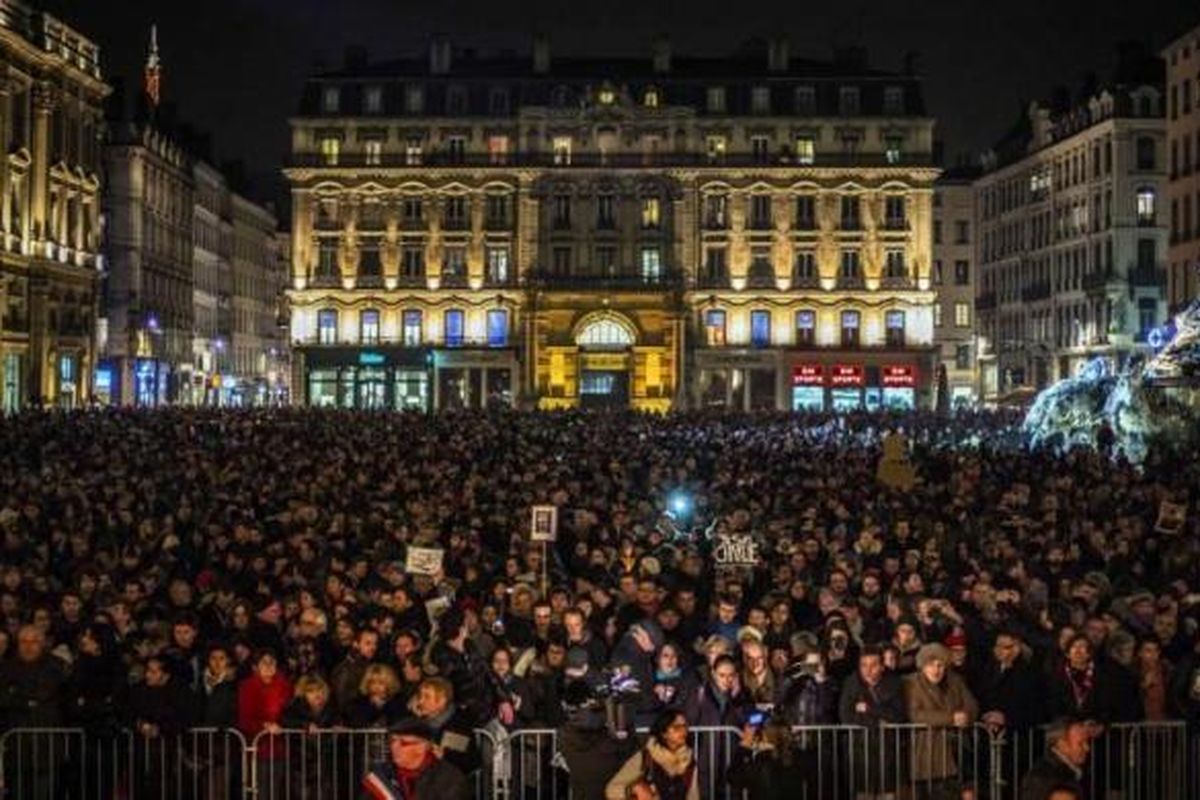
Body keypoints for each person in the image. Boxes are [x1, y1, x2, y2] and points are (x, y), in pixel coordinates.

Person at [902, 643, 979, 795]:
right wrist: (951, 718)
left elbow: (972, 705)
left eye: (940, 665)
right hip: (924, 751)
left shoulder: (955, 681)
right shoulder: (910, 683)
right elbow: (914, 714)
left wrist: (966, 717)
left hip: (954, 752)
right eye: (931, 665)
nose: (936, 670)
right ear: (922, 665)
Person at [362, 718, 471, 800]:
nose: (394, 747)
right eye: (392, 741)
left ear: (422, 747)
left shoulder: (449, 778)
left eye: (404, 743)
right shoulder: (383, 776)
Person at [605, 710, 700, 800]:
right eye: (676, 727)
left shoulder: (688, 760)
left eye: (685, 726)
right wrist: (634, 788)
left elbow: (693, 795)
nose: (683, 731)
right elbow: (611, 789)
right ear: (664, 734)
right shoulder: (646, 757)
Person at [1018, 718, 1090, 800]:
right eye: (1080, 743)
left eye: (1087, 742)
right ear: (1062, 745)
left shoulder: (1070, 773)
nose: (1087, 748)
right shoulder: (1043, 776)